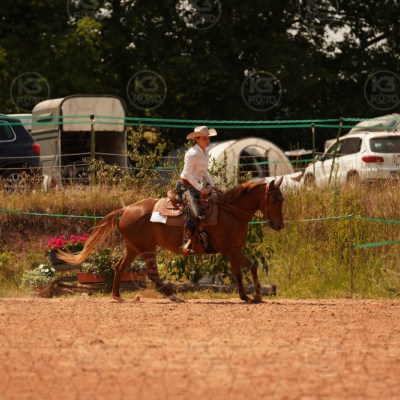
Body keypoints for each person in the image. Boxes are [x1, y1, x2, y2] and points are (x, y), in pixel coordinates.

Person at [175, 126, 221, 254]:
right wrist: (201, 188)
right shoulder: (192, 153)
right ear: (197, 139)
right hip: (184, 187)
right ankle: (185, 244)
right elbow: (187, 173)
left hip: (195, 187)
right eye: (205, 139)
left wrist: (212, 185)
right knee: (195, 212)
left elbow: (203, 171)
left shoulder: (204, 152)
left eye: (208, 138)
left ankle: (205, 239)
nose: (208, 141)